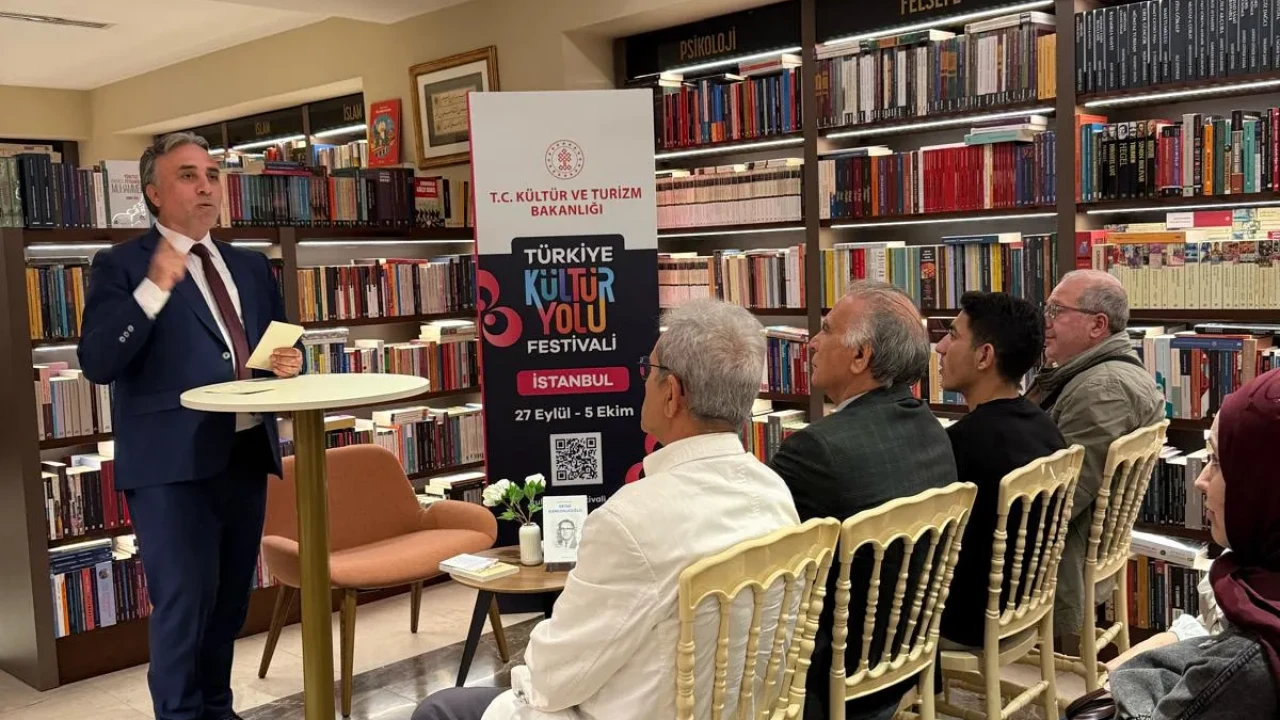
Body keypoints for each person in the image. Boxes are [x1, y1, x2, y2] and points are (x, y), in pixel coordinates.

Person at [412, 298, 800, 720]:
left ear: (672, 394)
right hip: (748, 710)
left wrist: (530, 676)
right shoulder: (774, 493)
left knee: (440, 709)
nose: (643, 381)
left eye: (648, 370)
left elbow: (553, 678)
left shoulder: (630, 520)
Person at [77, 132, 302, 720]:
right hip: (169, 468)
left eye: (212, 175)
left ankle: (218, 710)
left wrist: (285, 362)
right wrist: (154, 288)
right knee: (184, 605)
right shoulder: (121, 265)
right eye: (187, 175)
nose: (206, 186)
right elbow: (98, 361)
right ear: (154, 193)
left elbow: (267, 349)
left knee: (229, 605)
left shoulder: (250, 265)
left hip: (244, 454)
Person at [769, 280, 956, 720]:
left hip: (832, 678)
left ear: (860, 357)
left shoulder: (816, 449)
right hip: (908, 653)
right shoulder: (930, 427)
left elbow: (762, 554)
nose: (812, 343)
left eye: (827, 329)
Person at [1104, 368, 1280, 719]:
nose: (1200, 480)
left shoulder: (1247, 664)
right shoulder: (1254, 584)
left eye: (1217, 461)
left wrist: (1130, 678)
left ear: (1264, 484)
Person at [1025, 270, 1163, 642]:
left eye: (1056, 311)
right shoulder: (1106, 376)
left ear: (1097, 325)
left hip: (1061, 562)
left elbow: (1061, 503)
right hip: (1084, 551)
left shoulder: (1102, 389)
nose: (1045, 322)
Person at [932, 292, 1067, 647]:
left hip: (967, 620)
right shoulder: (1045, 427)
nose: (940, 347)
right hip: (1025, 604)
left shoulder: (963, 443)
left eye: (953, 335)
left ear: (984, 356)